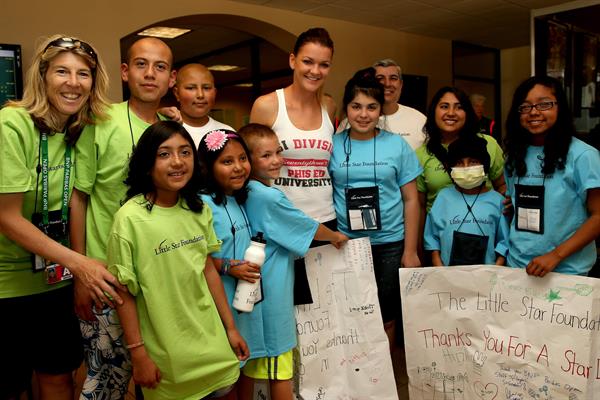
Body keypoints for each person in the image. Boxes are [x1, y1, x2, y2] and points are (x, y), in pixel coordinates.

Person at [0, 34, 122, 400]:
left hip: (54, 281)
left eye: (83, 74)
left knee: (59, 378)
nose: (73, 83)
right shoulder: (12, 123)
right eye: (62, 72)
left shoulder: (82, 128)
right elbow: (6, 217)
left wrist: (169, 114)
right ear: (42, 75)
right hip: (7, 285)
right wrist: (80, 264)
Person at [108, 120, 248, 399]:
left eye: (185, 152)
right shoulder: (129, 219)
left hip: (212, 347)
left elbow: (207, 270)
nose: (177, 162)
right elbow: (122, 292)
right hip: (167, 359)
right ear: (147, 163)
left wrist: (230, 328)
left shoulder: (198, 208)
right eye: (164, 154)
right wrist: (138, 355)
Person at [70, 36, 176, 398]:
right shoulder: (99, 121)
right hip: (108, 279)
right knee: (106, 384)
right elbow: (79, 199)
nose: (151, 74)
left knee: (159, 378)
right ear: (126, 73)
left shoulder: (170, 130)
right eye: (142, 65)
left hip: (159, 277)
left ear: (171, 79)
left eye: (160, 67)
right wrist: (82, 271)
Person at [238, 123, 348, 400]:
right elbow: (306, 227)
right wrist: (335, 236)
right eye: (265, 156)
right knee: (279, 364)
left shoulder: (247, 192)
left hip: (253, 291)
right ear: (248, 160)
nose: (276, 160)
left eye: (278, 152)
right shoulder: (267, 196)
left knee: (250, 369)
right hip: (271, 295)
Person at [329, 68, 421, 352]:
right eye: (356, 106)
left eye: (371, 107)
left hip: (390, 244)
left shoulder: (396, 145)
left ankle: (384, 382)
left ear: (381, 110)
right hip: (346, 243)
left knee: (387, 315)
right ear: (346, 108)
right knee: (351, 313)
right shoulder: (332, 146)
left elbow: (411, 200)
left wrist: (410, 250)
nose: (364, 114)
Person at [250, 27, 336, 305]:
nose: (315, 71)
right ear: (292, 61)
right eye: (308, 62)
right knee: (287, 305)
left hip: (325, 219)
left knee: (325, 312)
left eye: (323, 64)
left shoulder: (329, 106)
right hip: (282, 224)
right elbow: (252, 166)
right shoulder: (267, 105)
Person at [504, 76, 600, 277]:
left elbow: (598, 216)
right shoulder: (514, 154)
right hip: (517, 266)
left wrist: (555, 255)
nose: (534, 112)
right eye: (525, 106)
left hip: (567, 270)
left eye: (544, 104)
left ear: (560, 108)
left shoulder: (583, 155)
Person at [197, 129, 262, 398]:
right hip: (216, 303)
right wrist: (227, 266)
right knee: (223, 383)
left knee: (243, 368)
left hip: (242, 302)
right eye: (227, 162)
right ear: (208, 167)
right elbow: (195, 257)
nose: (238, 168)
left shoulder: (240, 197)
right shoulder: (201, 204)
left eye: (242, 158)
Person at [416, 87, 506, 214]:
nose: (451, 113)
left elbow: (502, 185)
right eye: (444, 106)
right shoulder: (421, 154)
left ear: (467, 113)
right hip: (441, 229)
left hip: (484, 225)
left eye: (459, 107)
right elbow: (419, 206)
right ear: (433, 111)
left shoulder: (487, 144)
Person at [424, 135, 509, 266]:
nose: (466, 168)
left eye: (473, 162)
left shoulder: (497, 200)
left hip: (487, 274)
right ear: (450, 168)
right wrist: (438, 265)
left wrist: (496, 268)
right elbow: (431, 236)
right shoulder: (443, 197)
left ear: (484, 165)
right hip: (448, 275)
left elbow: (504, 241)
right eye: (459, 163)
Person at [337, 59, 426, 150]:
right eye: (380, 78)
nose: (387, 84)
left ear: (401, 84)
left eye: (393, 78)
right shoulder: (351, 122)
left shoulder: (419, 119)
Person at [173, 63, 233, 149]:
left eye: (206, 88)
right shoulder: (164, 130)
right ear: (177, 93)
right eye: (191, 88)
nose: (200, 95)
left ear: (215, 93)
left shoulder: (227, 133)